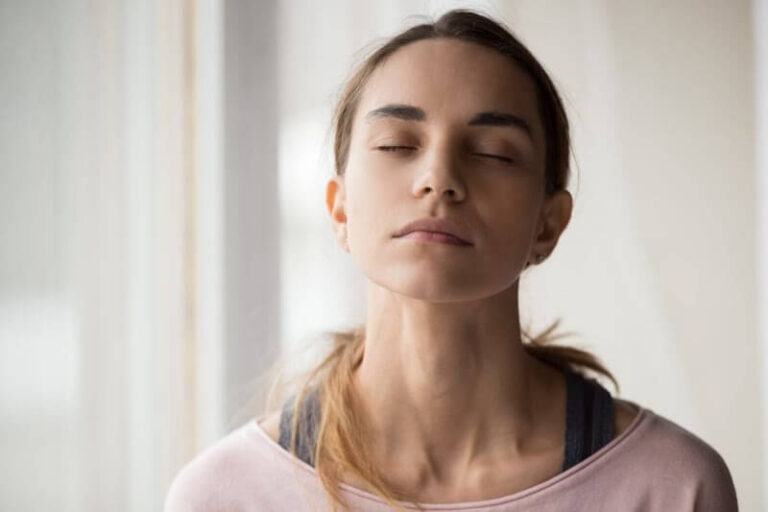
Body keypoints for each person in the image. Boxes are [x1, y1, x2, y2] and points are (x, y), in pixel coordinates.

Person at [164, 9, 738, 512]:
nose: (438, 177)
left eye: (492, 152)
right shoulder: (223, 496)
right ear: (340, 211)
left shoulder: (673, 487)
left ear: (549, 223)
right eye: (396, 145)